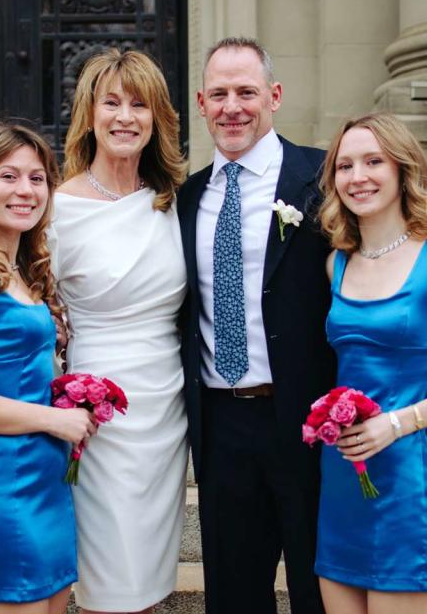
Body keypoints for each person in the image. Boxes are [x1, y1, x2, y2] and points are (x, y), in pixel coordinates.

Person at [178, 36, 336, 614]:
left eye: (246, 92)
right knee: (235, 595)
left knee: (317, 590)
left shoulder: (323, 178)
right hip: (221, 426)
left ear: (274, 95)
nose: (232, 107)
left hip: (307, 421)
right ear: (201, 102)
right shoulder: (187, 198)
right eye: (218, 94)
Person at [48, 49, 188, 614]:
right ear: (90, 114)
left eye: (140, 104)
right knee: (109, 576)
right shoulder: (55, 208)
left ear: (157, 118)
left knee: (150, 575)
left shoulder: (176, 202)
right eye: (112, 102)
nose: (125, 116)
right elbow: (35, 306)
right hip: (96, 414)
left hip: (166, 406)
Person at [0, 122, 95, 614]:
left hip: (45, 478)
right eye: (8, 176)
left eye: (37, 179)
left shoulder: (23, 271)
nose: (25, 191)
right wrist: (54, 419)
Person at [314, 112, 427, 614]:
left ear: (403, 169)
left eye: (373, 162)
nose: (357, 176)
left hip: (411, 475)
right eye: (345, 165)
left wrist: (398, 424)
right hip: (345, 472)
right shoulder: (336, 262)